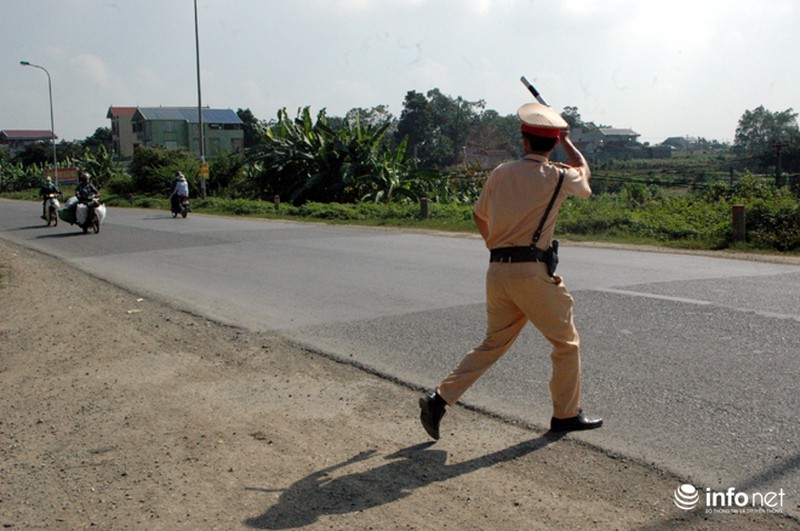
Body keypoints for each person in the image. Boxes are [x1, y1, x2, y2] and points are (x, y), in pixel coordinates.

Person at [419, 101, 602, 440]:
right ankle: (565, 414)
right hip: (532, 274)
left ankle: (439, 399)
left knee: (493, 343)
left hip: (498, 271)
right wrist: (568, 141)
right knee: (566, 344)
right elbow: (585, 177)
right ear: (552, 143)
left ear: (524, 139)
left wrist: (496, 247)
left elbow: (479, 215)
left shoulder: (500, 172)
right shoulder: (559, 176)